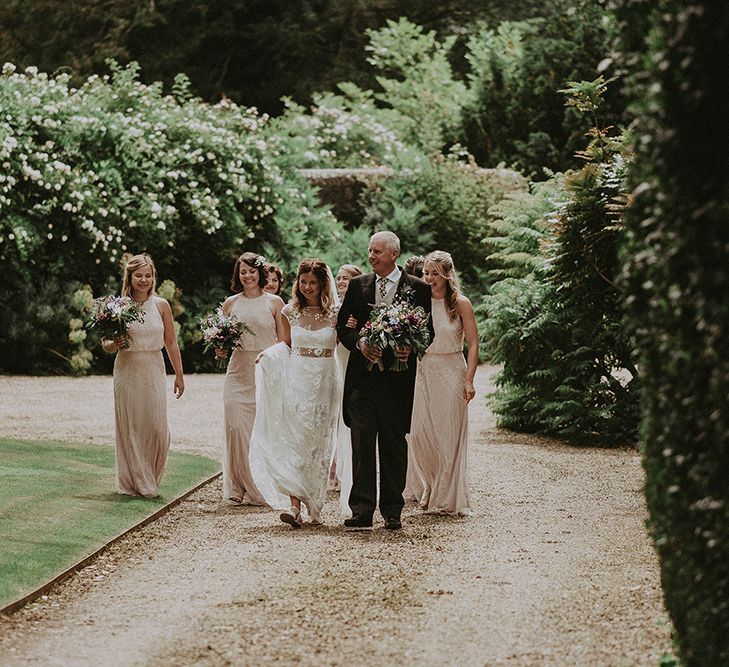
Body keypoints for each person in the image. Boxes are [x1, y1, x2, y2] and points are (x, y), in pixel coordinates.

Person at [336, 231, 433, 530]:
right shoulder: (357, 285)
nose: (371, 257)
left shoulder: (417, 288)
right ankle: (361, 510)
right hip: (362, 382)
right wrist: (361, 341)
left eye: (377, 252)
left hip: (396, 381)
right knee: (362, 446)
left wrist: (411, 347)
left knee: (393, 446)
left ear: (394, 254)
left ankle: (393, 510)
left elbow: (428, 333)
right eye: (369, 251)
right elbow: (343, 327)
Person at [249, 259, 342, 527]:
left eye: (313, 282)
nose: (308, 287)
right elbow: (286, 345)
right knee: (296, 438)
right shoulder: (290, 311)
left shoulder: (335, 314)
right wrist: (268, 354)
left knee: (318, 442)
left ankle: (314, 502)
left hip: (325, 380)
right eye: (304, 282)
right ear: (297, 283)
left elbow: (343, 347)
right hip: (297, 379)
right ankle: (294, 505)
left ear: (323, 284)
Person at [102, 253, 185, 498]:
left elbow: (170, 341)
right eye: (139, 275)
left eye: (148, 276)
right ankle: (137, 482)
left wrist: (179, 374)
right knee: (132, 426)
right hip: (127, 368)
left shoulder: (161, 305)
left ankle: (149, 475)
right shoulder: (118, 307)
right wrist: (114, 343)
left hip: (154, 368)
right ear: (130, 276)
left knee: (157, 429)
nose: (144, 280)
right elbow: (105, 343)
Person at [406, 250, 478, 515]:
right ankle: (431, 482)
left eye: (435, 273)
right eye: (426, 273)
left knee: (446, 436)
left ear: (447, 274)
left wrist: (469, 380)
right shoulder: (418, 301)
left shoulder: (460, 303)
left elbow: (473, 343)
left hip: (451, 370)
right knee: (419, 434)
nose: (429, 278)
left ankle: (444, 496)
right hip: (422, 371)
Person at [217, 252, 285, 505]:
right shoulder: (230, 303)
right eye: (242, 271)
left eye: (251, 271)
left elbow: (284, 341)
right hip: (237, 370)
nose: (247, 275)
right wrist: (220, 348)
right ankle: (237, 485)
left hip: (265, 370)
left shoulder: (274, 302)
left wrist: (271, 359)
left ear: (260, 273)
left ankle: (260, 484)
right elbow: (222, 341)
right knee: (236, 427)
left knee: (262, 430)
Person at [329, 263, 364, 497]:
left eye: (347, 278)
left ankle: (345, 469)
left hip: (353, 361)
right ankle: (332, 469)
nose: (341, 281)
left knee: (348, 416)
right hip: (335, 362)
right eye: (339, 278)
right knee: (332, 415)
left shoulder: (360, 306)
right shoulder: (331, 308)